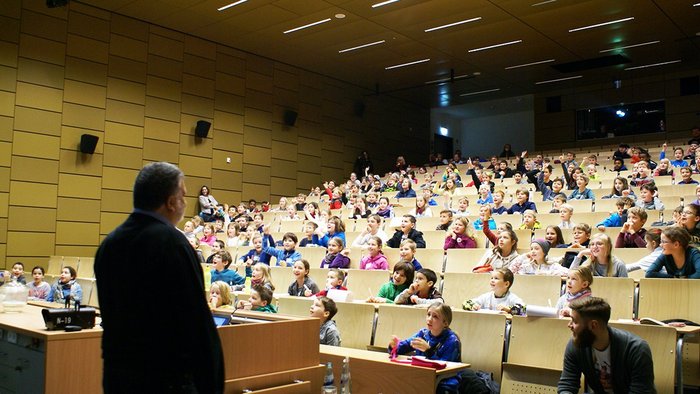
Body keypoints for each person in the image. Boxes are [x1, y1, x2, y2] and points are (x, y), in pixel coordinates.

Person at [94, 162, 223, 393]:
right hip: (166, 379)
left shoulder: (110, 243)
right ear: (171, 202)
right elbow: (196, 322)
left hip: (119, 376)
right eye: (183, 195)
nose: (185, 202)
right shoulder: (172, 243)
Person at [558, 297, 655, 393]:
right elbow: (567, 385)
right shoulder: (577, 344)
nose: (569, 325)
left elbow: (641, 391)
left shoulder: (636, 349)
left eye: (574, 321)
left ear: (593, 325)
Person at [389, 303, 462, 393]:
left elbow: (445, 368)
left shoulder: (452, 341)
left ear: (445, 323)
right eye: (428, 314)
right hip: (421, 377)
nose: (429, 319)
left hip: (444, 383)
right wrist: (394, 346)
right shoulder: (423, 334)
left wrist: (428, 351)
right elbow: (404, 346)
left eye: (435, 317)